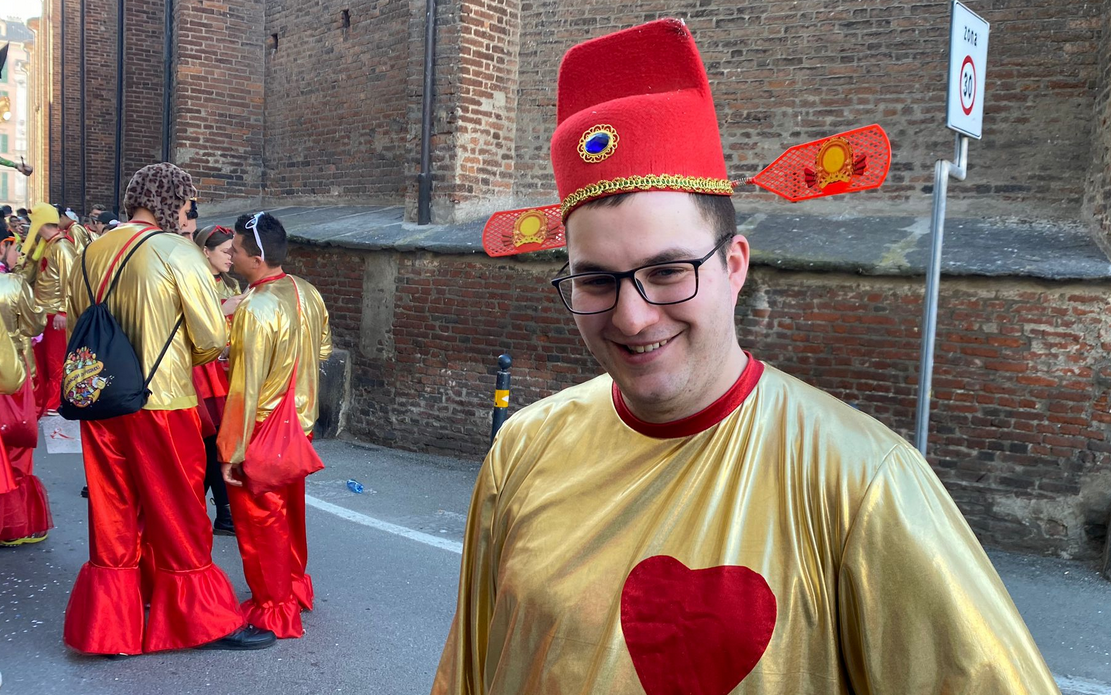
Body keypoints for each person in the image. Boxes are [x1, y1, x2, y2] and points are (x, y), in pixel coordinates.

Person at [431, 19, 1058, 694]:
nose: (632, 315)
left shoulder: (864, 486)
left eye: (668, 270)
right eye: (595, 279)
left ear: (733, 266)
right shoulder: (521, 452)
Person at [62, 162, 275, 655]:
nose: (188, 213)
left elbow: (78, 321)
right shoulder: (177, 251)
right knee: (178, 509)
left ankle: (110, 630)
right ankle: (200, 620)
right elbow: (210, 338)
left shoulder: (93, 249)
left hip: (102, 398)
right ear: (172, 202)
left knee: (114, 511)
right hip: (164, 402)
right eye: (186, 203)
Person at [218, 211, 332, 639]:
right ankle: (294, 588)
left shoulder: (254, 305)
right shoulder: (307, 291)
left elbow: (244, 390)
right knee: (290, 515)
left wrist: (231, 451)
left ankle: (273, 606)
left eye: (236, 247)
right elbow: (322, 351)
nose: (230, 252)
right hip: (297, 425)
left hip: (263, 427)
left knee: (262, 523)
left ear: (257, 258)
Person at [192, 225, 244, 535]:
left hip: (222, 371)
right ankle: (208, 510)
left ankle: (221, 512)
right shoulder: (195, 283)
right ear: (205, 252)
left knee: (217, 444)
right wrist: (224, 309)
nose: (232, 257)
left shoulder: (230, 283)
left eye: (234, 251)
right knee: (205, 443)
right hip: (200, 370)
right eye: (226, 251)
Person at [0, 227, 50, 546]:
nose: (18, 253)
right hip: (13, 369)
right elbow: (35, 323)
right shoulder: (13, 284)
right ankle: (14, 524)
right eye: (13, 246)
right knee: (17, 446)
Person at [27, 203, 76, 416]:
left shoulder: (62, 247)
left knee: (55, 361)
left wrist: (64, 311)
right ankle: (44, 399)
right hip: (42, 312)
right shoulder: (48, 244)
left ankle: (55, 401)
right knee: (42, 361)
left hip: (55, 313)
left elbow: (71, 280)